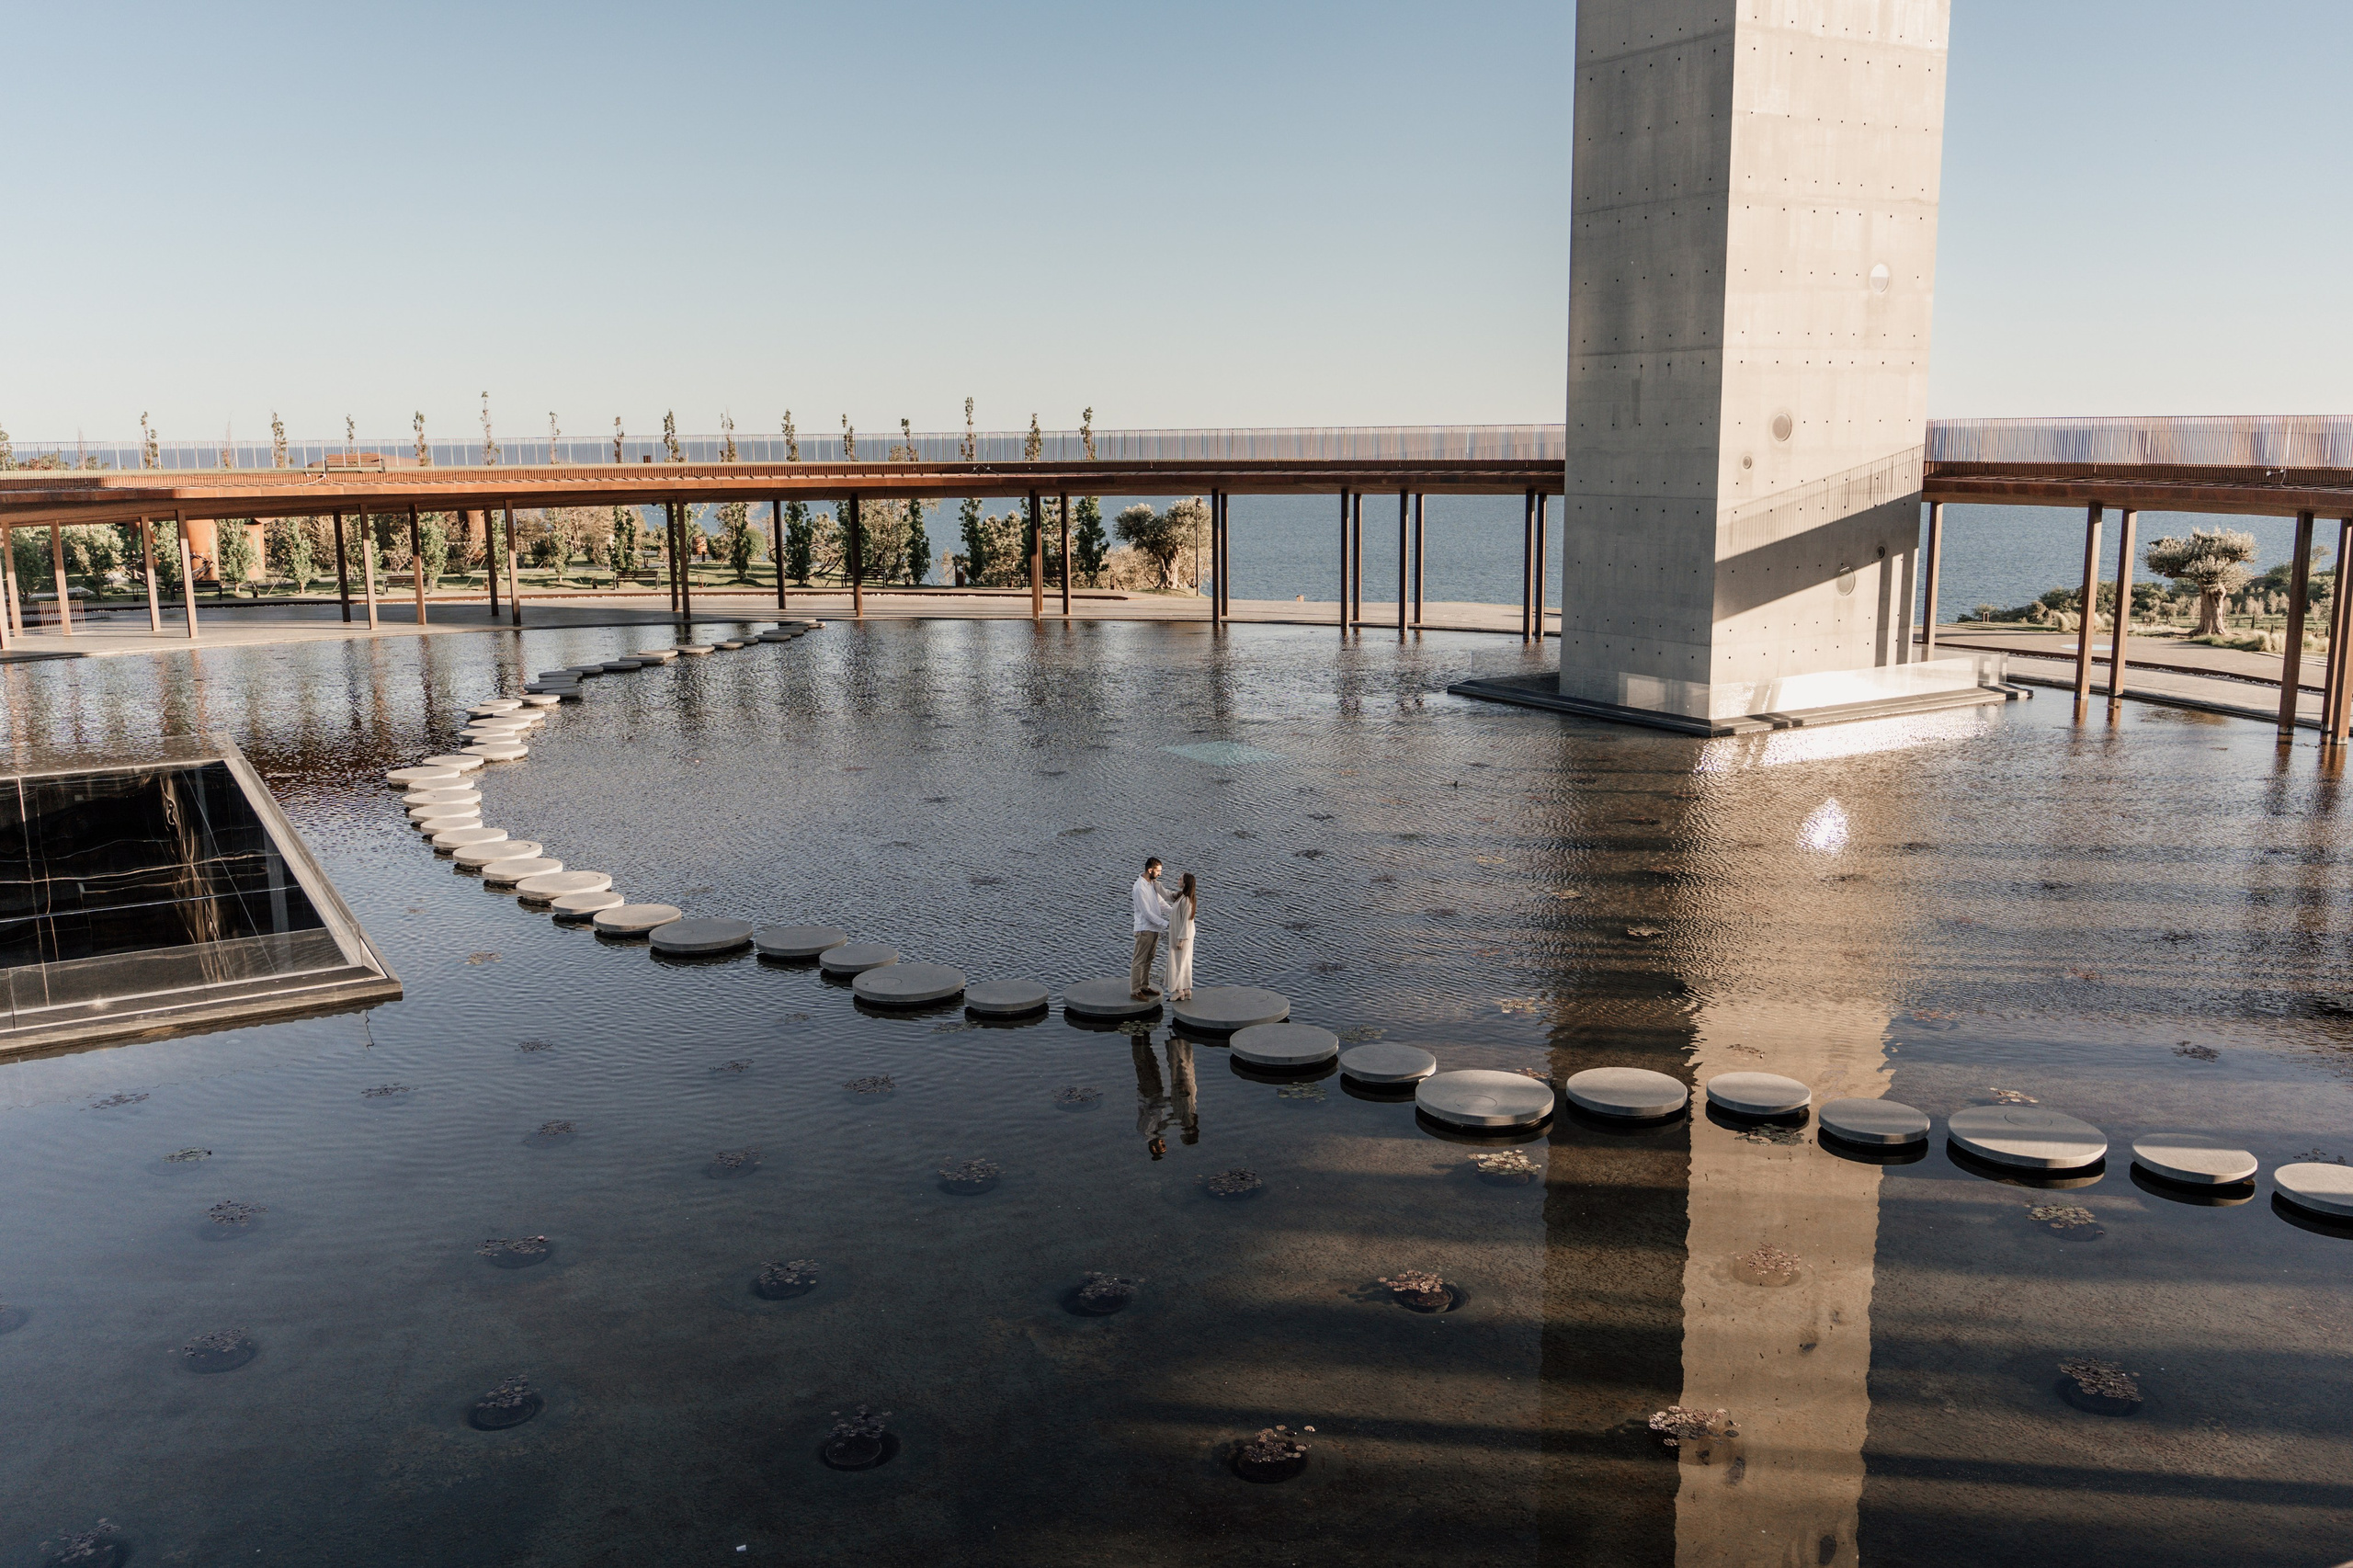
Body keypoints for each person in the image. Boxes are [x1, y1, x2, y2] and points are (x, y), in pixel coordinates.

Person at [1130, 857, 1170, 1000]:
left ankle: (1144, 986)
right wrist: (1166, 924)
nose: (1160, 874)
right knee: (1139, 960)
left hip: (1154, 929)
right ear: (1150, 870)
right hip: (1144, 929)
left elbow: (1161, 903)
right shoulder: (1139, 887)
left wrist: (1176, 913)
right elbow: (1146, 913)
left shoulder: (1152, 884)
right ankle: (1135, 991)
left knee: (1149, 958)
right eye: (1158, 871)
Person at [1164, 871, 1199, 1001]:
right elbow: (1168, 894)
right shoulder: (1181, 897)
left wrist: (1181, 939)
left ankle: (1179, 991)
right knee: (1184, 962)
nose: (1177, 881)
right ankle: (1186, 989)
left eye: (1180, 879)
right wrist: (1156, 884)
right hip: (1181, 935)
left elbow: (1187, 922)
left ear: (1185, 884)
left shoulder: (1187, 901)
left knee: (1177, 963)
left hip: (1181, 937)